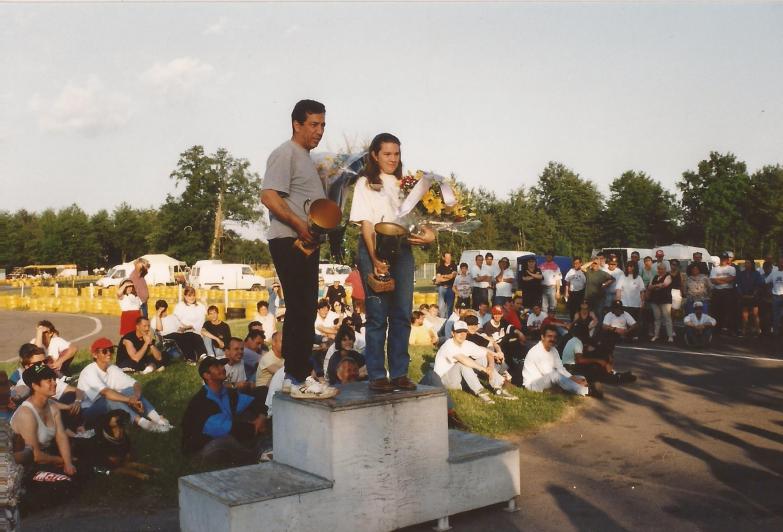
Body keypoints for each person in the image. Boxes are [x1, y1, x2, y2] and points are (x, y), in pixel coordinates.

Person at [260, 98, 337, 398]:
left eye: (323, 126)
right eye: (314, 125)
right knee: (300, 308)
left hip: (305, 240)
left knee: (305, 308)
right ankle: (296, 377)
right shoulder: (285, 153)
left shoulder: (308, 158)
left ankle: (299, 375)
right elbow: (268, 196)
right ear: (297, 124)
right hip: (288, 239)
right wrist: (298, 224)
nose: (319, 131)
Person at [350, 132, 434, 392]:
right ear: (375, 155)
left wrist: (430, 233)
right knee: (377, 317)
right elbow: (366, 224)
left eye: (396, 154)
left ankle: (399, 373)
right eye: (387, 154)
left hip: (403, 251)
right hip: (374, 249)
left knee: (401, 315)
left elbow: (419, 220)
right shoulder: (366, 183)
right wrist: (374, 257)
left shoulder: (407, 184)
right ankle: (377, 375)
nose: (392, 159)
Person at [181, 357, 266, 465]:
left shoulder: (227, 393)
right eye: (217, 367)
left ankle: (259, 448)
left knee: (249, 415)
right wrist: (254, 427)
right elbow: (225, 429)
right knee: (225, 441)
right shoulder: (202, 402)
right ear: (206, 375)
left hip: (223, 435)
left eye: (222, 365)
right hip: (200, 450)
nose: (222, 368)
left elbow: (251, 401)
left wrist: (261, 417)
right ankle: (256, 456)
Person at [11, 364, 77, 500]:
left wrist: (68, 462)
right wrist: (62, 461)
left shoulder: (52, 406)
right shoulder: (26, 413)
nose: (54, 383)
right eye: (49, 380)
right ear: (35, 386)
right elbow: (35, 456)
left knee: (79, 463)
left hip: (47, 456)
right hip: (26, 467)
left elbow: (61, 437)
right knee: (67, 482)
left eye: (54, 379)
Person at [78, 338, 172, 432]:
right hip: (89, 411)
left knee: (130, 390)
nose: (109, 353)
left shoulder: (112, 368)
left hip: (110, 406)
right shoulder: (89, 371)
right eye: (104, 351)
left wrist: (135, 397)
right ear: (95, 354)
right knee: (110, 399)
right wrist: (129, 400)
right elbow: (106, 393)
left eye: (111, 350)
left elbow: (135, 384)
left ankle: (158, 419)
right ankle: (146, 425)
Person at [433, 321, 517, 404]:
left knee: (483, 358)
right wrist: (484, 369)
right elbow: (463, 360)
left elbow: (487, 353)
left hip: (462, 378)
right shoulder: (448, 345)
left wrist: (490, 367)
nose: (462, 335)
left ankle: (498, 388)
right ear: (453, 333)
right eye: (459, 332)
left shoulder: (467, 344)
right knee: (462, 364)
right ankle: (481, 392)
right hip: (445, 380)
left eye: (464, 332)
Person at [561, 326, 636, 397]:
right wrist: (598, 360)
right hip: (571, 368)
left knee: (597, 367)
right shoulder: (577, 342)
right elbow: (580, 360)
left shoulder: (574, 340)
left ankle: (616, 375)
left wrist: (602, 358)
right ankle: (616, 378)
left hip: (571, 366)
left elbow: (593, 349)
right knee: (596, 370)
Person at [522, 324, 589, 396]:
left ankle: (562, 389)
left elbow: (561, 369)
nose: (552, 339)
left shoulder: (553, 350)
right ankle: (585, 391)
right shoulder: (536, 351)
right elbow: (548, 373)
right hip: (533, 384)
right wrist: (574, 381)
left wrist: (575, 379)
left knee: (581, 377)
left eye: (554, 337)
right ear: (542, 337)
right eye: (549, 336)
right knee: (555, 375)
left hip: (547, 380)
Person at [173, 286, 208, 361]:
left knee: (197, 335)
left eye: (193, 295)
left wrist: (205, 302)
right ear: (185, 296)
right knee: (190, 335)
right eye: (189, 295)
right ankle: (191, 357)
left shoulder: (199, 305)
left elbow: (207, 314)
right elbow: (176, 320)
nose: (192, 297)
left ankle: (202, 355)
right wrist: (186, 327)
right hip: (186, 331)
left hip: (199, 331)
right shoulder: (180, 306)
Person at [710, 252, 738, 334]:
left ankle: (728, 328)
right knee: (716, 311)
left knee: (728, 311)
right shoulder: (715, 269)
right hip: (717, 292)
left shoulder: (731, 268)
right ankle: (717, 329)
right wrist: (725, 279)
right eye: (722, 258)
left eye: (725, 259)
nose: (723, 260)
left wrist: (718, 280)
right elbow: (712, 280)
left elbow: (732, 278)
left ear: (727, 259)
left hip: (728, 291)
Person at [736, 258, 764, 337]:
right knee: (744, 314)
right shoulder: (741, 274)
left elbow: (759, 285)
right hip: (744, 296)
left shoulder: (757, 274)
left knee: (755, 314)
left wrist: (754, 294)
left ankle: (758, 331)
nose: (746, 264)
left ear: (752, 264)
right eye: (745, 263)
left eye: (748, 263)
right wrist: (741, 294)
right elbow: (738, 284)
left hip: (753, 296)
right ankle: (744, 331)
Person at [615, 261, 646, 332]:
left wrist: (643, 302)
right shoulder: (622, 277)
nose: (629, 268)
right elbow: (618, 290)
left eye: (631, 266)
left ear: (635, 268)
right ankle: (624, 335)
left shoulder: (639, 278)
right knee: (624, 321)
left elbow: (642, 291)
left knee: (634, 321)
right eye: (628, 266)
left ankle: (634, 335)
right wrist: (617, 301)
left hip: (636, 304)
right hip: (624, 303)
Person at [647, 263, 674, 342]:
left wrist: (654, 286)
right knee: (657, 319)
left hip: (665, 300)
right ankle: (656, 335)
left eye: (662, 269)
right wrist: (657, 286)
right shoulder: (654, 276)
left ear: (665, 270)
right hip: (655, 300)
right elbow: (649, 286)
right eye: (659, 269)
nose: (660, 270)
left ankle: (670, 336)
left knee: (667, 318)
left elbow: (664, 285)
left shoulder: (669, 276)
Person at [435, 252, 458, 317]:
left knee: (449, 307)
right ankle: (442, 322)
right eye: (447, 257)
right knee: (441, 307)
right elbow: (438, 279)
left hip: (450, 288)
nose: (449, 259)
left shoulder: (454, 266)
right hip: (441, 288)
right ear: (444, 258)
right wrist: (448, 277)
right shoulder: (440, 267)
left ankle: (448, 322)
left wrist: (443, 276)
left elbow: (453, 276)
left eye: (450, 257)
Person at [765, 256, 783, 337]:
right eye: (780, 262)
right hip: (775, 297)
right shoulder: (774, 272)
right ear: (778, 263)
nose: (781, 264)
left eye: (782, 262)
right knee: (776, 316)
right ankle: (776, 333)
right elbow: (765, 282)